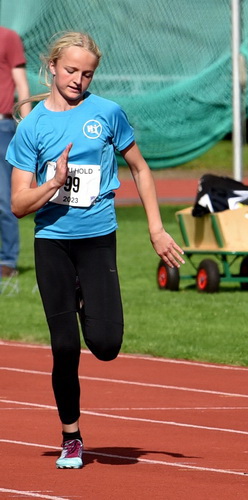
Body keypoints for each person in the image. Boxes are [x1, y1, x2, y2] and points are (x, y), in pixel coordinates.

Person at [7, 31, 185, 469]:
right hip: (52, 244)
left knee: (105, 345)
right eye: (71, 70)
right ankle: (71, 437)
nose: (78, 80)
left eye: (87, 74)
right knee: (65, 346)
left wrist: (156, 230)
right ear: (51, 67)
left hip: (98, 239)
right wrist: (52, 184)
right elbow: (16, 205)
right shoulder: (32, 128)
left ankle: (86, 294)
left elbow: (141, 170)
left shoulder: (107, 113)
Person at [0, 27, 31, 279]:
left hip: (2, 126)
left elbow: (21, 82)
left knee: (4, 198)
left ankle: (7, 261)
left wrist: (28, 128)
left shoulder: (8, 37)